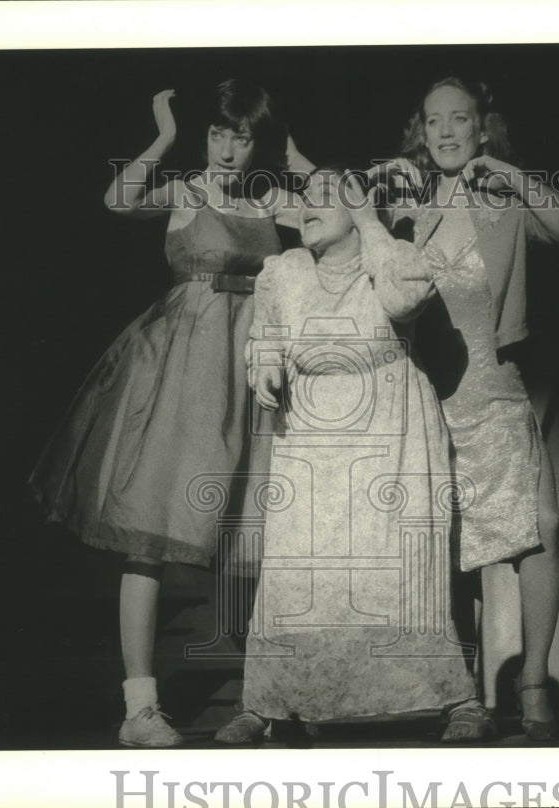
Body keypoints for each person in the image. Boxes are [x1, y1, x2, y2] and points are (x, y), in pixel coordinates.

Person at [29, 79, 312, 747]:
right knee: (150, 530)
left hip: (256, 371)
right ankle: (140, 708)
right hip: (183, 369)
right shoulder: (188, 192)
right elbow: (118, 199)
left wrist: (296, 158)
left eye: (242, 137)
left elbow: (346, 212)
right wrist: (160, 135)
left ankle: (263, 698)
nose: (228, 150)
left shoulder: (269, 197)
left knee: (259, 533)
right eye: (218, 133)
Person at [212, 169, 478, 744]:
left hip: (391, 426)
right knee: (297, 571)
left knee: (404, 570)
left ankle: (454, 699)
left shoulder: (395, 258)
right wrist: (264, 363)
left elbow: (405, 299)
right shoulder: (281, 272)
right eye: (303, 200)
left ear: (358, 210)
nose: (306, 208)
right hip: (308, 430)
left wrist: (369, 222)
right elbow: (264, 334)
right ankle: (267, 703)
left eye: (323, 200)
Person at [372, 76, 559, 741]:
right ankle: (461, 697)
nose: (445, 132)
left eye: (459, 119)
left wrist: (508, 172)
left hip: (494, 383)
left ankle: (533, 687)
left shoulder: (502, 195)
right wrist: (375, 194)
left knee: (539, 524)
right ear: (420, 129)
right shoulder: (406, 200)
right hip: (425, 391)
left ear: (480, 128)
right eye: (433, 121)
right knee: (448, 542)